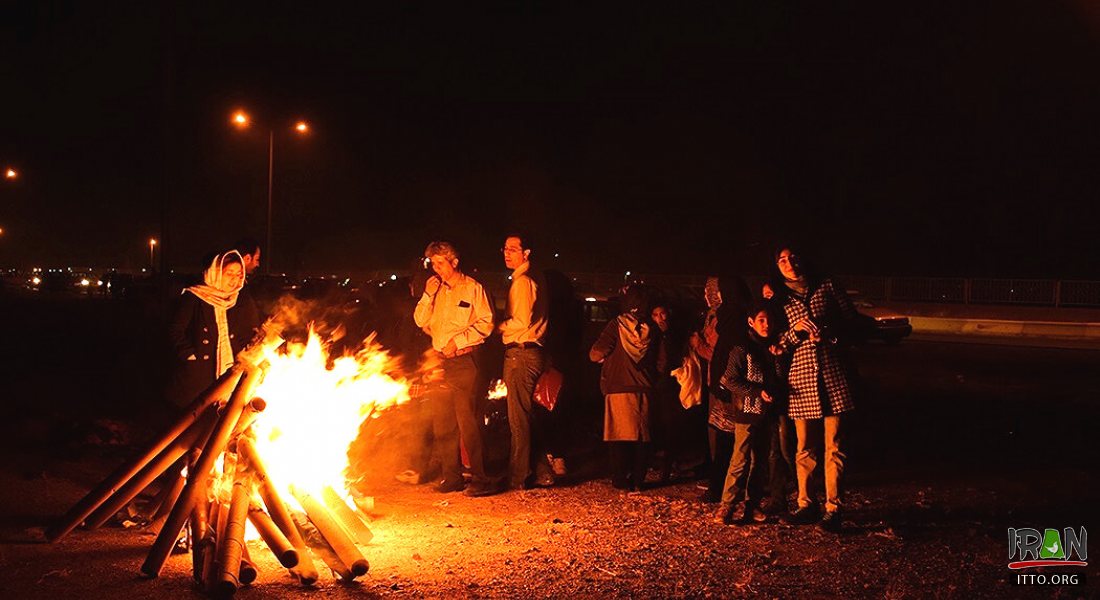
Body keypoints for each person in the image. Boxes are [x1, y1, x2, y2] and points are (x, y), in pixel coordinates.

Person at [772, 246, 859, 532]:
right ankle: (806, 504)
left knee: (834, 447)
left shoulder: (827, 286)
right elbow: (776, 343)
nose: (789, 263)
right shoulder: (778, 297)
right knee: (803, 448)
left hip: (833, 376)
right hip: (801, 381)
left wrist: (830, 335)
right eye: (782, 260)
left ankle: (834, 508)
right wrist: (795, 332)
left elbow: (852, 323)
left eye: (793, 257)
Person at [413, 241, 497, 497]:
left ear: (454, 262)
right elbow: (419, 320)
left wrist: (457, 342)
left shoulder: (473, 288)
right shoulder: (435, 290)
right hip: (441, 363)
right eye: (433, 264)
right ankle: (452, 477)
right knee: (443, 422)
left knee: (467, 422)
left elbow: (486, 323)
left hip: (463, 362)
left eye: (441, 263)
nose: (437, 269)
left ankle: (481, 479)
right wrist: (427, 296)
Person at [713, 303, 784, 524]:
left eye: (769, 320)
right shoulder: (742, 349)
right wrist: (756, 392)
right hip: (747, 411)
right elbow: (729, 379)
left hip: (768, 413)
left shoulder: (774, 348)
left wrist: (779, 359)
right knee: (740, 459)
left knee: (760, 462)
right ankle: (727, 506)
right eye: (761, 320)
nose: (766, 324)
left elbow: (779, 380)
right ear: (751, 322)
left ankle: (752, 505)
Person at [589, 286, 665, 491]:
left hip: (618, 389)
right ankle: (638, 481)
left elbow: (595, 354)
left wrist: (605, 358)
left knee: (619, 437)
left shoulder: (616, 326)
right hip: (644, 389)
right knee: (641, 437)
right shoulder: (653, 328)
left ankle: (620, 480)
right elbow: (662, 362)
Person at [167, 251, 261, 407]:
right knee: (193, 417)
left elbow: (243, 332)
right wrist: (189, 354)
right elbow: (175, 330)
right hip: (199, 373)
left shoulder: (238, 299)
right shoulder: (195, 296)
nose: (235, 278)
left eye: (239, 274)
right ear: (216, 273)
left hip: (229, 367)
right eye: (229, 273)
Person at [498, 234, 552, 490]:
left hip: (521, 352)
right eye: (505, 249)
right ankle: (542, 471)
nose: (506, 253)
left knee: (518, 418)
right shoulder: (536, 277)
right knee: (527, 415)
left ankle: (519, 476)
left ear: (526, 252)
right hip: (533, 351)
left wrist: (498, 326)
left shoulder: (522, 282)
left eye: (512, 249)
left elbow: (521, 320)